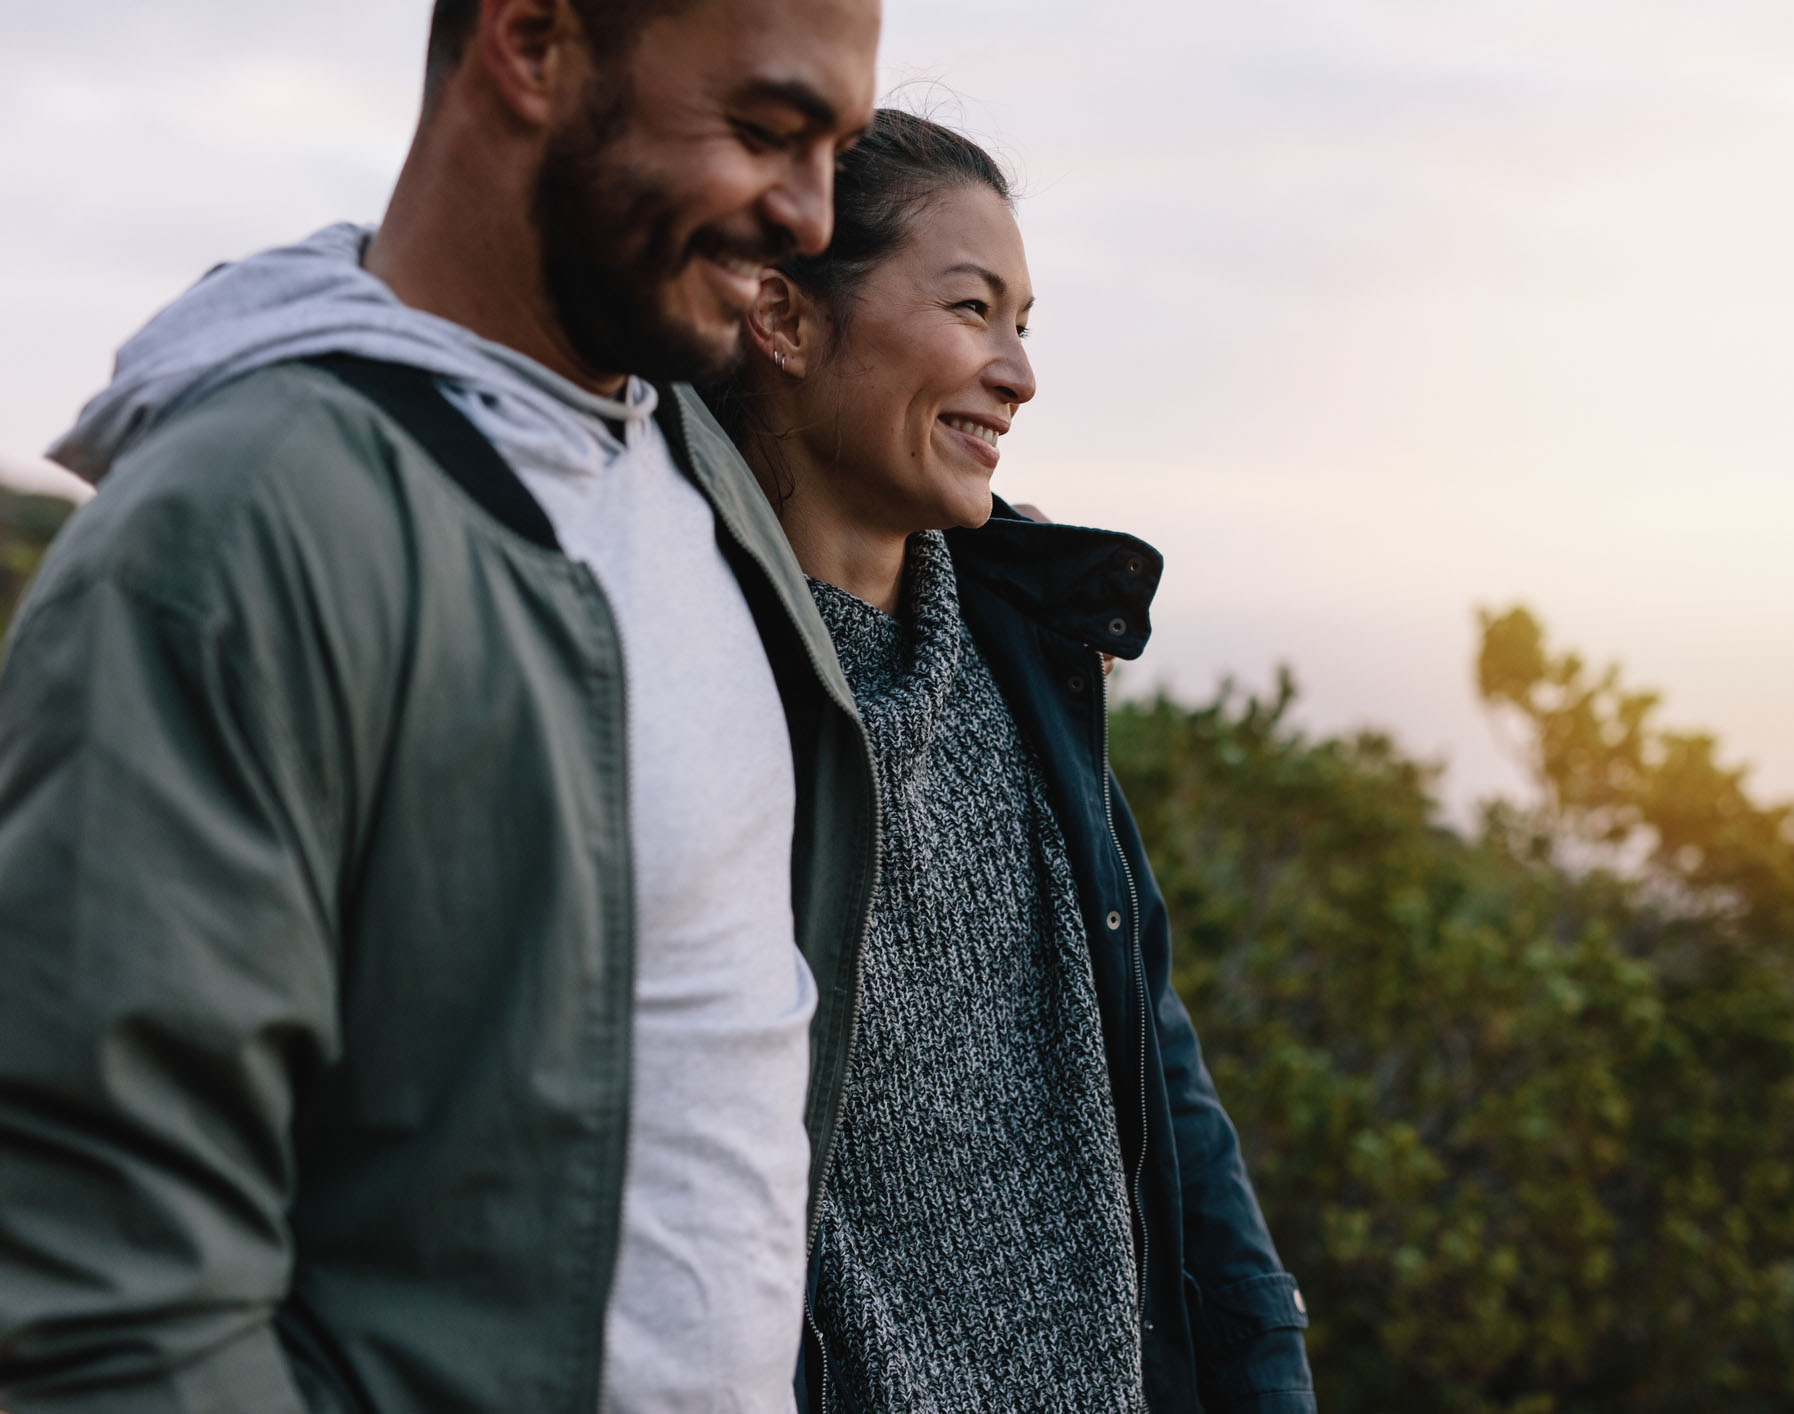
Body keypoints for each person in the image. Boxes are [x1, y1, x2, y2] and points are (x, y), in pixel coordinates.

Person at [0, 0, 878, 1410]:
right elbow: (115, 1303)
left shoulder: (688, 469)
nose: (812, 214)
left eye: (836, 146)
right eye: (767, 131)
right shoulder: (240, 531)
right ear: (531, 45)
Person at [710, 109, 1318, 1414]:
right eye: (972, 309)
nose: (1018, 373)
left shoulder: (1029, 664)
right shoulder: (684, 674)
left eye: (1022, 323)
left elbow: (1166, 1094)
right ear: (788, 317)